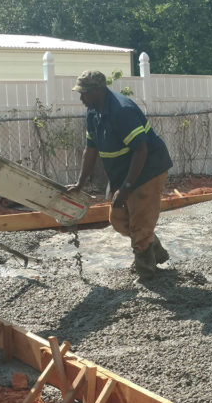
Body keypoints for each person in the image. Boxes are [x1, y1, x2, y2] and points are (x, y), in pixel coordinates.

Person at [67, 70, 173, 279]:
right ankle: (153, 247)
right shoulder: (93, 111)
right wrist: (80, 183)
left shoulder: (122, 111)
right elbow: (90, 149)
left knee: (140, 222)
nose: (81, 98)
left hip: (148, 168)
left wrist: (126, 187)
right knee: (117, 218)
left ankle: (146, 272)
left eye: (84, 93)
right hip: (124, 170)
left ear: (98, 90)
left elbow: (141, 150)